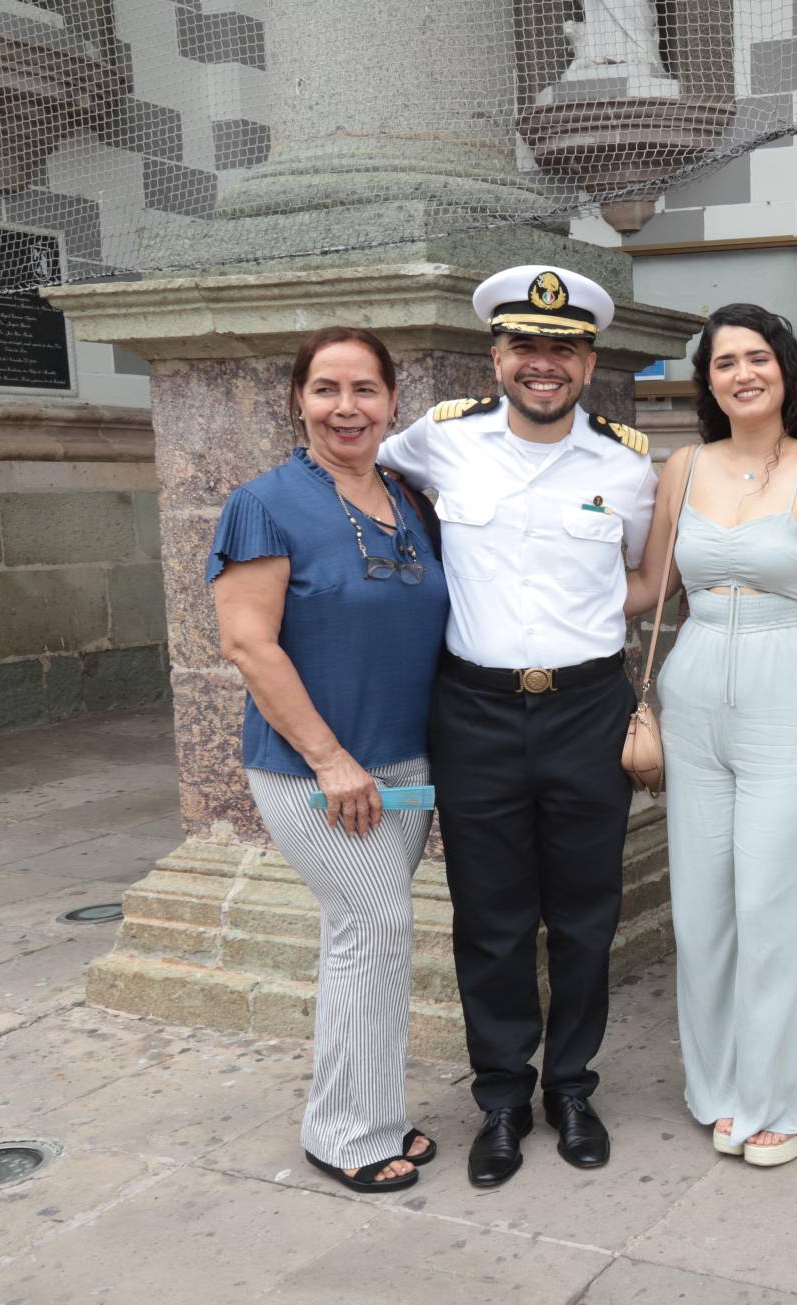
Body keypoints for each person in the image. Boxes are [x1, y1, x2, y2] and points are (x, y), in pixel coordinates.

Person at [377, 265, 657, 1187]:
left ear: (589, 361)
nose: (545, 365)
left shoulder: (624, 462)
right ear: (496, 355)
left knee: (585, 915)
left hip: (586, 707)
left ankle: (571, 1087)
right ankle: (501, 1098)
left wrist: (596, 632)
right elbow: (363, 480)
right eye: (526, 347)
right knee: (491, 918)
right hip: (477, 711)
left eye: (565, 349)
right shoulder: (440, 442)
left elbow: (646, 578)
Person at [625, 304, 797, 1168]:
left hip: (787, 695)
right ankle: (719, 1084)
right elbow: (650, 587)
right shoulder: (682, 466)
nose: (741, 374)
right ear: (708, 381)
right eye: (724, 362)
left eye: (756, 357)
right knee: (703, 908)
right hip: (692, 696)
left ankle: (780, 1100)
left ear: (786, 368)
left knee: (771, 905)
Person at [209, 327, 449, 1193]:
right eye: (325, 389)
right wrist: (331, 758)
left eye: (364, 390)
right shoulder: (264, 503)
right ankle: (342, 1131)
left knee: (372, 936)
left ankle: (373, 1111)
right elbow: (248, 643)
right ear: (297, 399)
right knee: (372, 926)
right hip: (316, 770)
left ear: (392, 400)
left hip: (407, 763)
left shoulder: (410, 497)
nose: (346, 407)